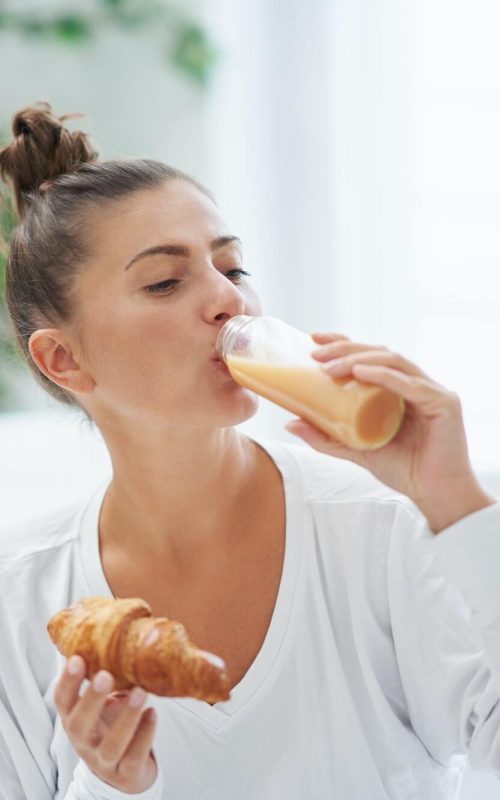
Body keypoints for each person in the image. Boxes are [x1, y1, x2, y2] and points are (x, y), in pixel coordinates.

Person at [0, 101, 498, 800]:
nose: (230, 301)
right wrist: (111, 786)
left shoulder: (379, 527)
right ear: (65, 361)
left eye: (233, 270)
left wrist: (456, 503)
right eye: (165, 282)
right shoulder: (20, 600)